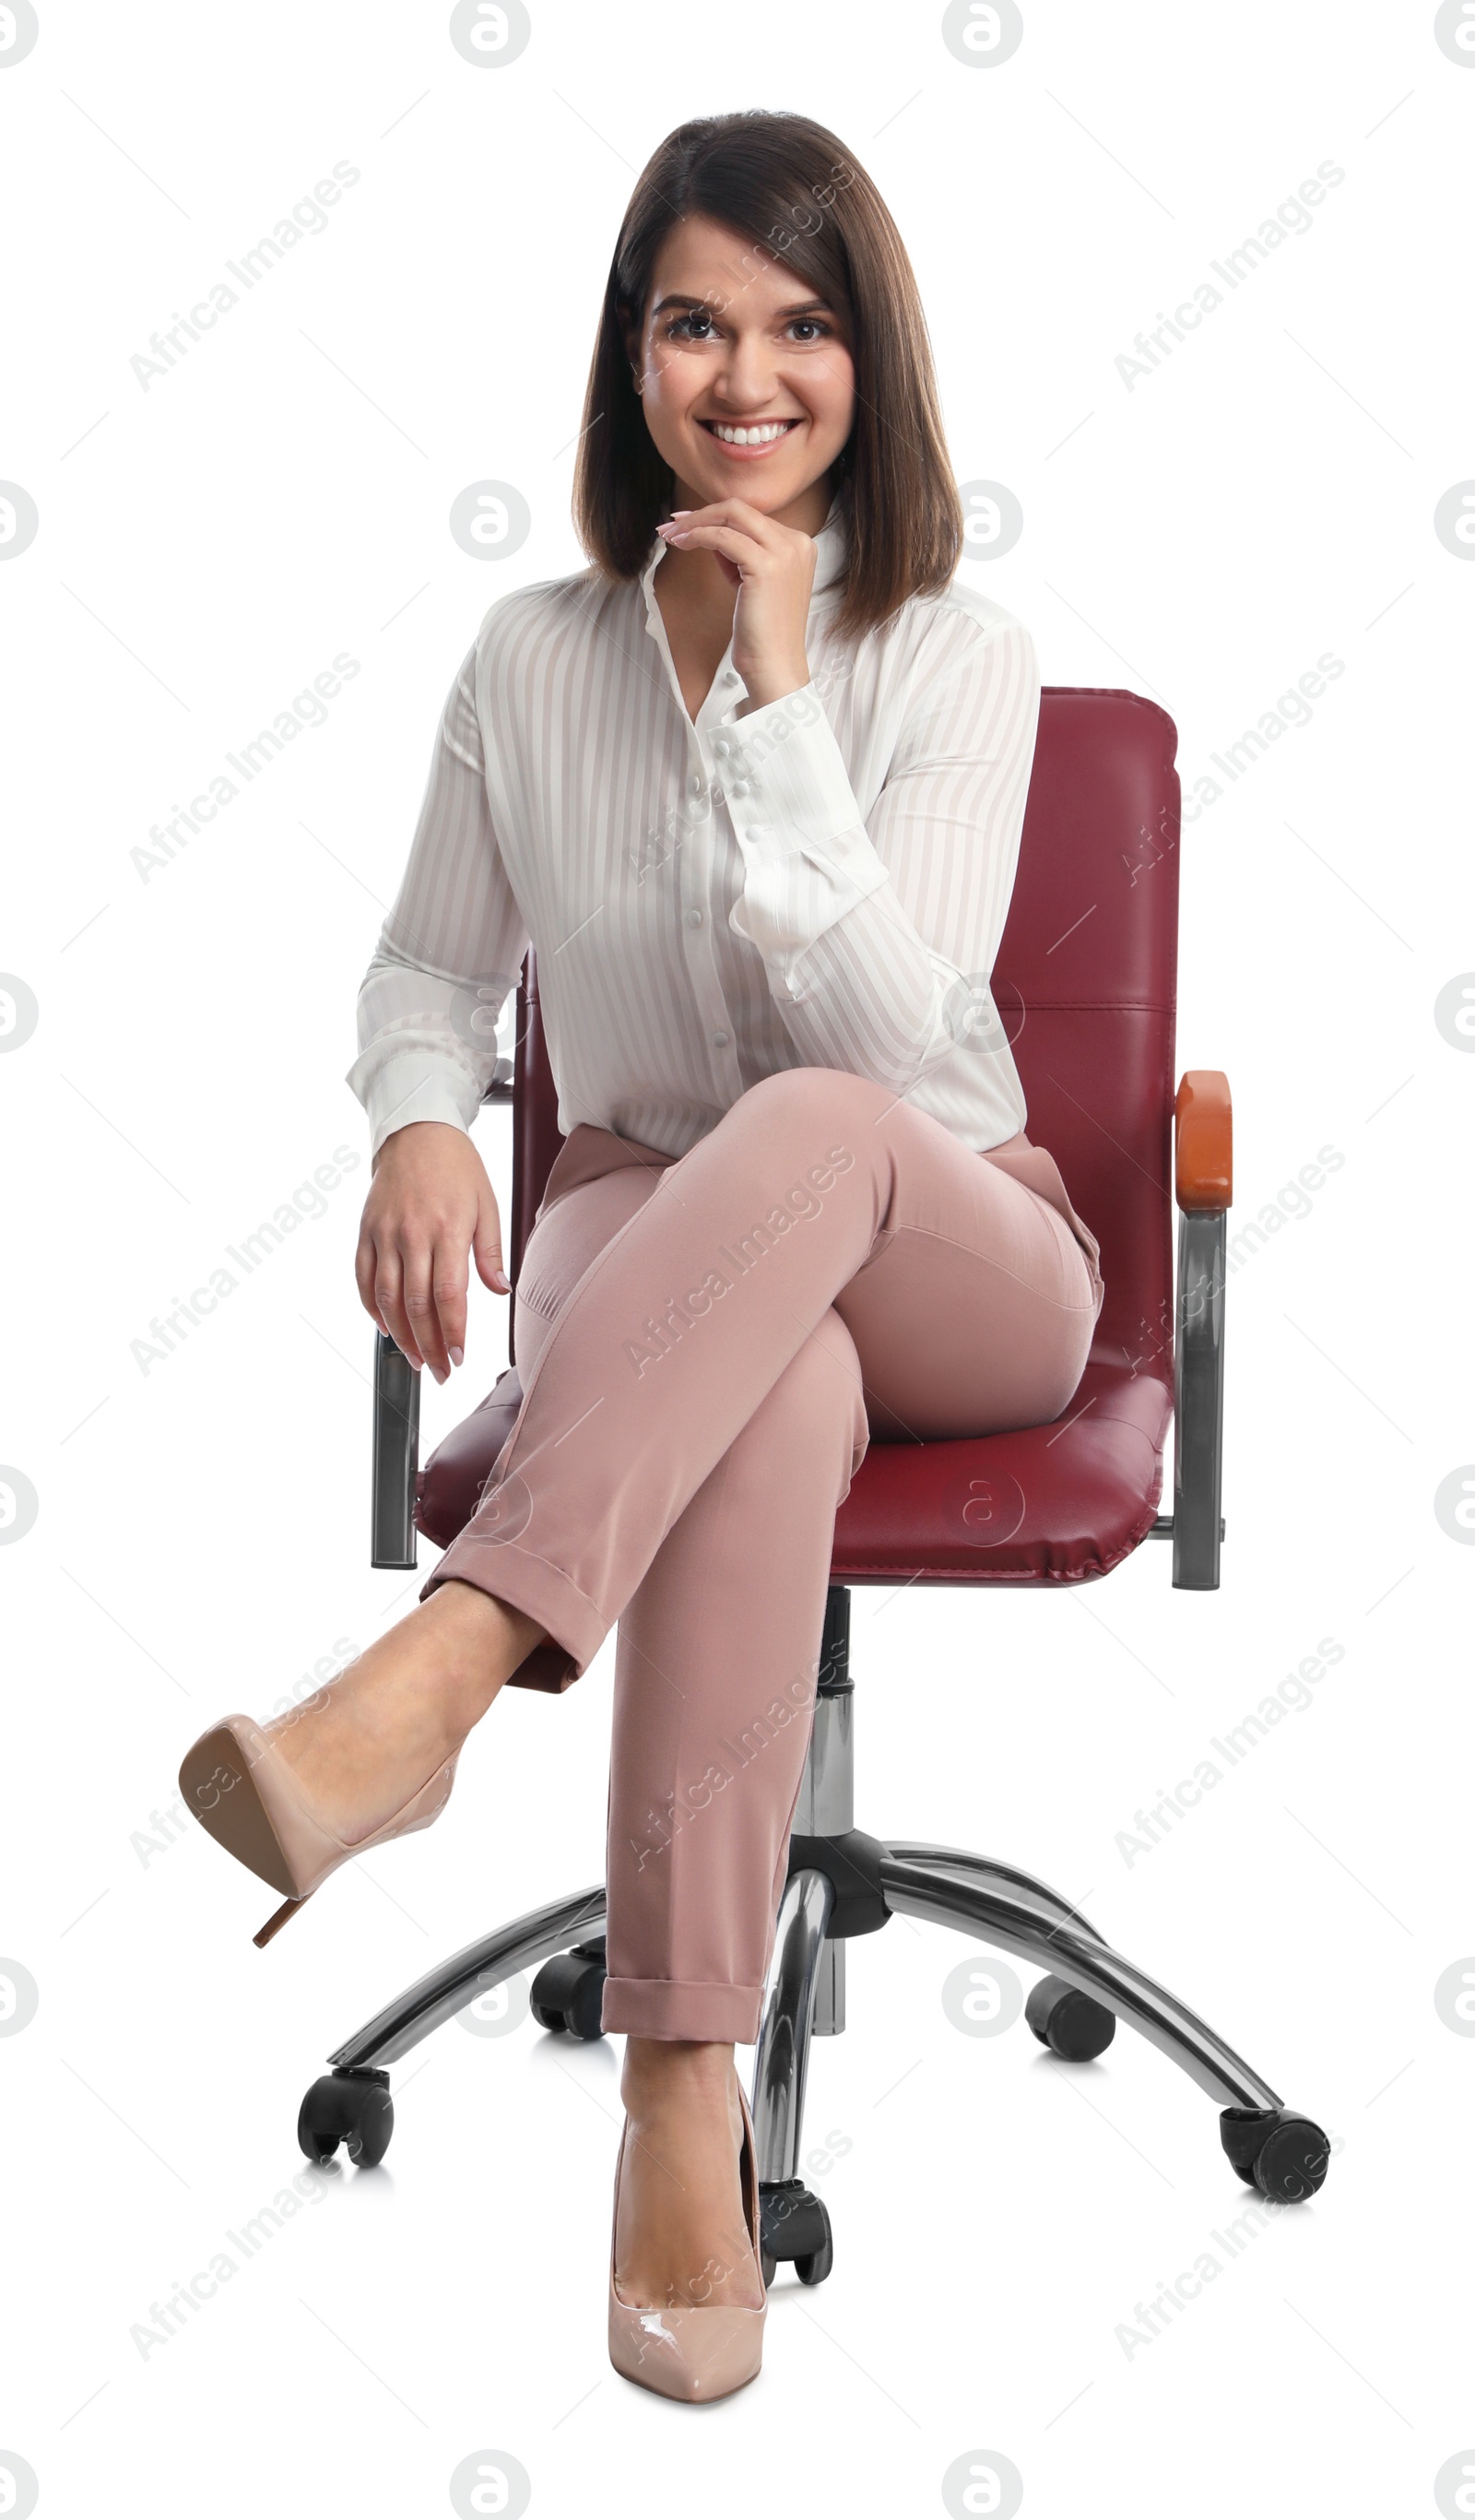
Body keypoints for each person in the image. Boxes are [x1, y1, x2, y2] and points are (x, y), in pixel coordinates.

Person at [179, 108, 1103, 2404]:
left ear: (865, 365)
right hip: (630, 1230)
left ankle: (439, 1675)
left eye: (799, 326)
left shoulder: (953, 656)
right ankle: (678, 2091)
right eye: (694, 319)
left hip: (952, 1229)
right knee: (755, 1379)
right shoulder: (527, 657)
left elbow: (902, 1038)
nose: (745, 373)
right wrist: (417, 1119)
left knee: (807, 1126)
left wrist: (781, 703)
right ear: (629, 354)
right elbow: (423, 969)